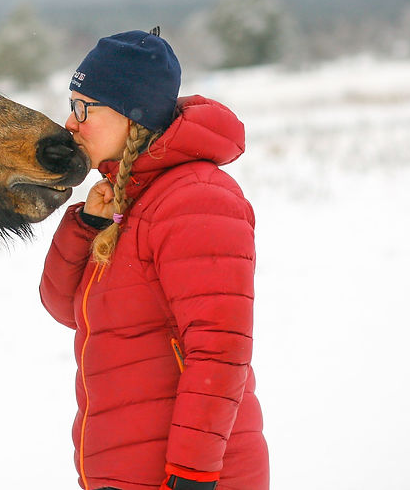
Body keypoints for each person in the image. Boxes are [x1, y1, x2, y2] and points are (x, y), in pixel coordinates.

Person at [40, 29, 269, 490]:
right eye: (71, 103)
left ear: (131, 115)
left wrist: (193, 473)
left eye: (85, 107)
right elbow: (65, 307)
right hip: (127, 472)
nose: (70, 121)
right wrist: (86, 224)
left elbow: (220, 349)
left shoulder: (196, 198)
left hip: (186, 477)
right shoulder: (130, 199)